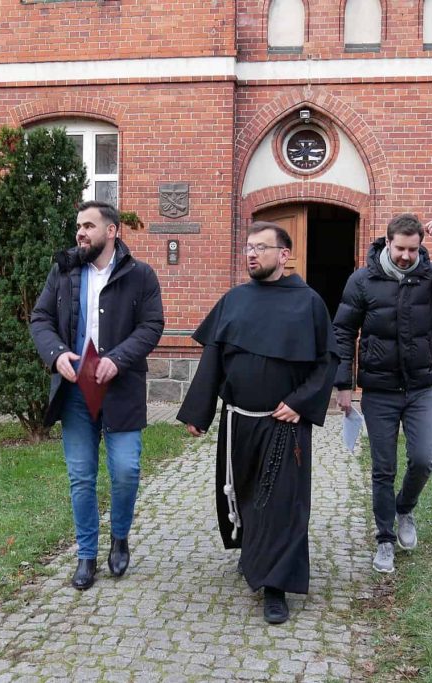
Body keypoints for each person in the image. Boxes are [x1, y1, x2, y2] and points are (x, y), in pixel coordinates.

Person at [178, 221, 338, 624]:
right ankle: (253, 553)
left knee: (280, 503)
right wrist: (199, 411)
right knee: (245, 494)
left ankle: (275, 586)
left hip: (284, 423)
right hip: (239, 421)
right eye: (249, 247)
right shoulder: (234, 300)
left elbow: (326, 362)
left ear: (284, 255)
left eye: (261, 248)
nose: (252, 254)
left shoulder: (308, 303)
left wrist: (300, 403)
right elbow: (214, 358)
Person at [332, 213, 432, 574]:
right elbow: (343, 332)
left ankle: (405, 508)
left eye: (413, 250)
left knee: (424, 459)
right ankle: (385, 539)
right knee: (383, 468)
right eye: (400, 248)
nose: (405, 256)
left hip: (419, 388)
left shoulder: (428, 276)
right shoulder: (363, 280)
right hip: (379, 391)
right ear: (388, 243)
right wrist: (343, 385)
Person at [30, 200, 164, 591]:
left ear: (112, 231)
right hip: (74, 390)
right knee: (81, 476)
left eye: (89, 225)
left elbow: (152, 325)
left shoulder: (140, 275)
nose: (80, 233)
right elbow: (41, 319)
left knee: (126, 470)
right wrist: (57, 355)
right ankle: (86, 555)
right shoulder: (63, 271)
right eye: (78, 226)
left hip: (121, 390)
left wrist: (118, 359)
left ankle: (119, 537)